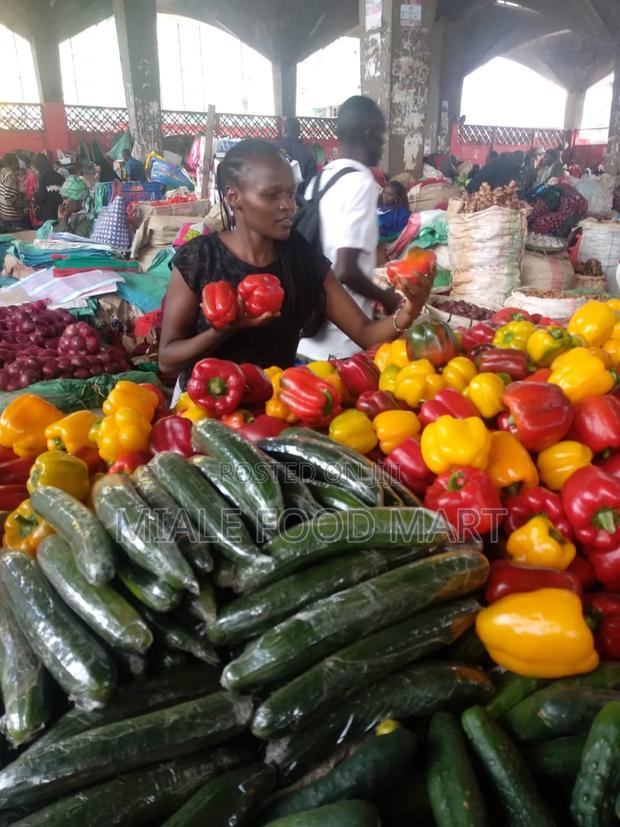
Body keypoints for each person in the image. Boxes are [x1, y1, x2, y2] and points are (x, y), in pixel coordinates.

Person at [158, 138, 432, 392]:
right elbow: (167, 360)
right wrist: (223, 330)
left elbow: (365, 333)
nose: (287, 205)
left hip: (276, 413)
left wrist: (410, 308)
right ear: (233, 198)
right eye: (271, 195)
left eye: (290, 194)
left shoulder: (301, 259)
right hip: (201, 414)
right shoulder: (200, 259)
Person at [298, 96, 404, 361]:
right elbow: (345, 270)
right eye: (381, 136)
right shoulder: (360, 182)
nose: (382, 145)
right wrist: (387, 299)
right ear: (369, 136)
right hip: (341, 343)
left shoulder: (320, 180)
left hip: (306, 334)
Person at [274, 117, 318, 192]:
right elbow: (311, 187)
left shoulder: (272, 148)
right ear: (299, 132)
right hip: (299, 201)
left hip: (274, 199)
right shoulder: (307, 153)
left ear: (284, 129)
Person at [32, 153, 64, 223]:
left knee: (50, 233)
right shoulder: (59, 177)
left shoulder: (43, 178)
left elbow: (42, 197)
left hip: (48, 214)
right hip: (60, 211)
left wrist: (35, 195)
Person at [0, 153, 27, 228]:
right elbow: (10, 197)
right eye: (17, 161)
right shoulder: (11, 176)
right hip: (12, 215)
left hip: (4, 213)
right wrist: (23, 205)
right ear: (12, 162)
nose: (18, 163)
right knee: (18, 237)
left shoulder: (2, 172)